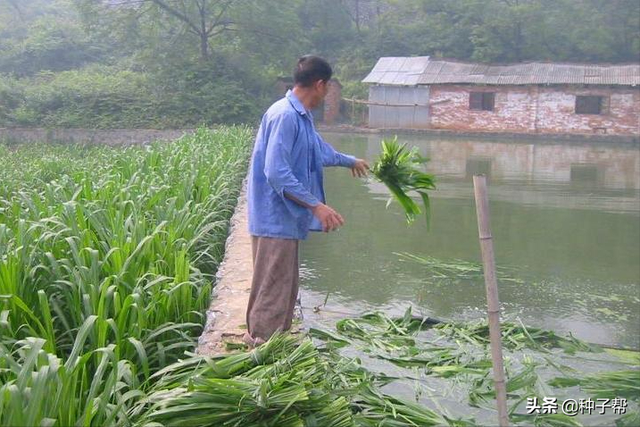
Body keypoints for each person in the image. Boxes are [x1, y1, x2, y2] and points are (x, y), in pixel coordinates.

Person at [244, 55, 369, 346]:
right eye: (326, 90)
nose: (325, 97)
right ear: (320, 84)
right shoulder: (284, 116)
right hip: (274, 218)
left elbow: (317, 150)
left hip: (287, 219)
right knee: (272, 286)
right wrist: (316, 205)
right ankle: (260, 348)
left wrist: (348, 160)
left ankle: (276, 344)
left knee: (285, 286)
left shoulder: (300, 116)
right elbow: (276, 171)